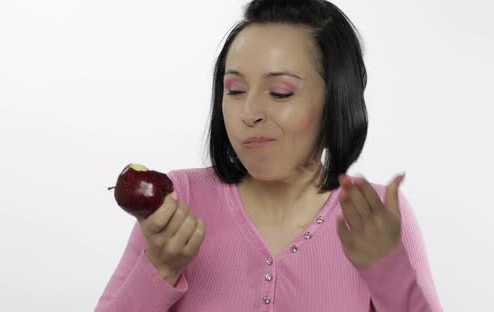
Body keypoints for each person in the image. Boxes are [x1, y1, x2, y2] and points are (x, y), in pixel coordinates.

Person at [95, 0, 443, 311]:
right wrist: (160, 267)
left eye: (279, 92)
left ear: (336, 101)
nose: (249, 112)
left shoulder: (376, 213)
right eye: (235, 90)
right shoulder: (178, 201)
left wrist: (390, 278)